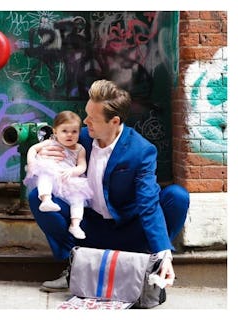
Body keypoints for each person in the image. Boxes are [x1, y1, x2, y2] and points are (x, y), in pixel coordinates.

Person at [29, 79, 189, 292]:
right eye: (86, 114)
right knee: (36, 197)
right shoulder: (81, 138)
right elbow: (52, 136)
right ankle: (74, 267)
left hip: (129, 229)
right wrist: (39, 150)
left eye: (92, 118)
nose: (85, 122)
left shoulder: (141, 151)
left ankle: (151, 265)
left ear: (114, 121)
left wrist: (163, 255)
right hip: (89, 228)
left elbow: (148, 203)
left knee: (177, 197)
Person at [23, 110, 93, 240]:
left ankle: (75, 224)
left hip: (68, 178)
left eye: (74, 131)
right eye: (64, 131)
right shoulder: (50, 143)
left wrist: (73, 171)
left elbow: (82, 166)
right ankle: (46, 200)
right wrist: (32, 162)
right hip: (52, 170)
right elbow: (33, 149)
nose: (69, 135)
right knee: (45, 174)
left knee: (78, 198)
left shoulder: (79, 149)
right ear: (55, 132)